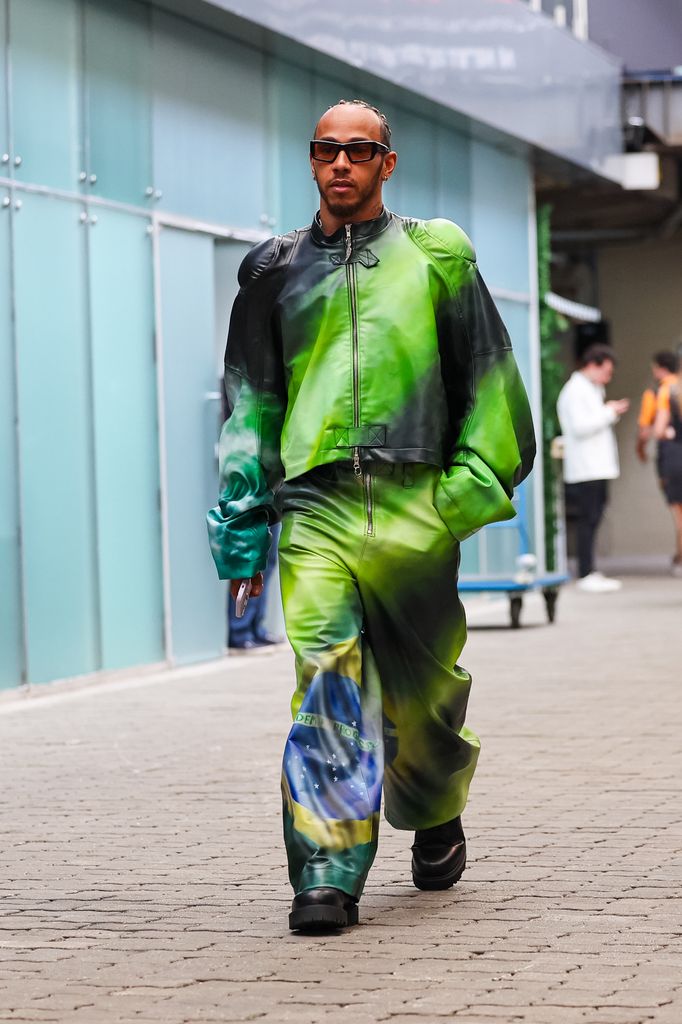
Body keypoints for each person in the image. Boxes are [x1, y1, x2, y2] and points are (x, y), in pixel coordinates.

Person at [207, 99, 535, 932]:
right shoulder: (271, 270)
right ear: (312, 161)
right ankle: (326, 868)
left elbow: (491, 383)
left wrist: (454, 502)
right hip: (314, 508)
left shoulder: (438, 256)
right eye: (327, 150)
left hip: (413, 502)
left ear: (387, 164)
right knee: (326, 681)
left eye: (359, 150)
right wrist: (244, 531)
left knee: (423, 700)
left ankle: (432, 806)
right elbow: (250, 405)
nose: (341, 163)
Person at [557, 344, 629, 592]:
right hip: (586, 468)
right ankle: (585, 571)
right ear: (592, 365)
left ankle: (591, 570)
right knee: (587, 519)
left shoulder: (591, 389)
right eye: (606, 371)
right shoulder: (575, 390)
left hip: (596, 467)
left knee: (595, 516)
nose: (608, 377)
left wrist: (607, 410)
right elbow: (580, 427)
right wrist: (608, 412)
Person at [650, 354, 682, 576]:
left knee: (679, 515)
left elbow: (658, 430)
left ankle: (680, 559)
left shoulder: (668, 391)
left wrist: (669, 432)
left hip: (675, 457)